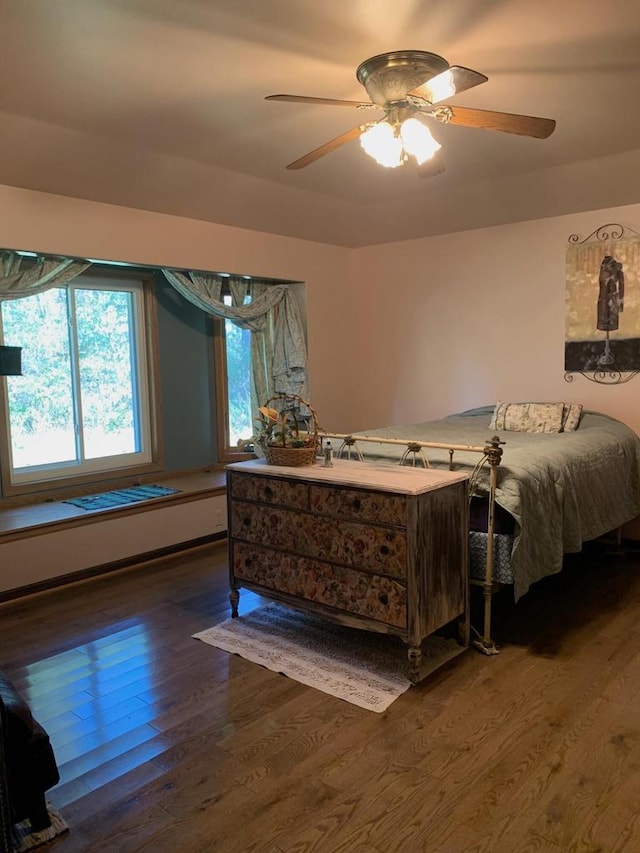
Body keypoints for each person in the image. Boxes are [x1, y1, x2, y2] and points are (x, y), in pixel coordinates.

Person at [597, 254, 624, 332]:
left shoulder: (617, 267)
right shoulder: (602, 267)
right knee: (603, 319)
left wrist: (621, 302)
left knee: (611, 321)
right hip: (603, 298)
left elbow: (621, 286)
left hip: (612, 297)